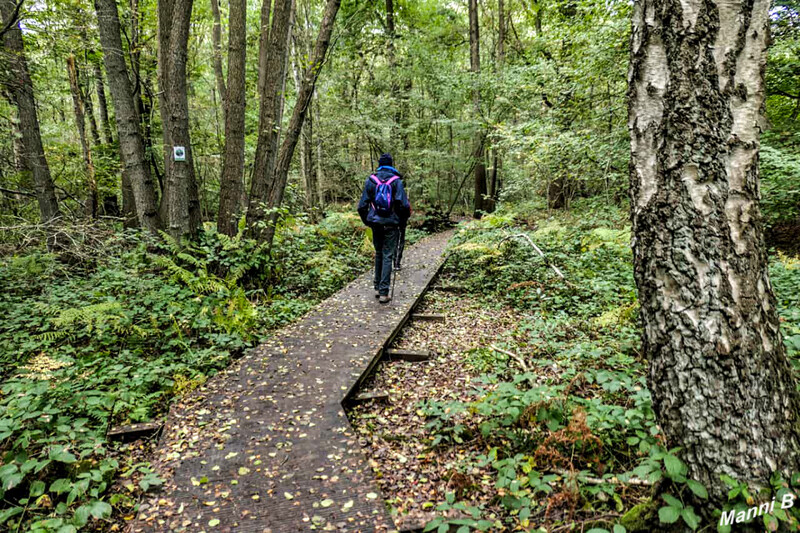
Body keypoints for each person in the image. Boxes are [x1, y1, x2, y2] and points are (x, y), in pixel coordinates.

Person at [357, 153, 411, 304]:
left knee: (379, 253)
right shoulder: (396, 182)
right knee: (388, 255)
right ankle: (384, 292)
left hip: (375, 223)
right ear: (391, 164)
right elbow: (404, 205)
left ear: (380, 164)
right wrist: (402, 220)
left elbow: (362, 206)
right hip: (391, 224)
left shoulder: (371, 181)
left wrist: (368, 221)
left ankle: (377, 287)